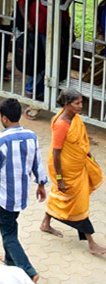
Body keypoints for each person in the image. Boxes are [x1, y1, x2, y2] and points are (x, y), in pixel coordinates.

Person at [0, 97, 48, 282]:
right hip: (22, 195)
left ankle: (28, 270)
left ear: (4, 119)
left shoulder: (1, 140)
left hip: (5, 196)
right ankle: (10, 260)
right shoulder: (31, 136)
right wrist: (41, 184)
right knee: (11, 225)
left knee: (8, 234)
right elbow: (37, 162)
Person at [40, 89, 106, 255]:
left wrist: (89, 157)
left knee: (59, 196)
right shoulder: (62, 124)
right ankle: (91, 243)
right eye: (77, 103)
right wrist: (60, 178)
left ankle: (45, 223)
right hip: (66, 171)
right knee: (78, 204)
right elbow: (56, 153)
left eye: (81, 103)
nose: (80, 106)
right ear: (67, 104)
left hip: (78, 166)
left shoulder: (75, 119)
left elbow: (81, 141)